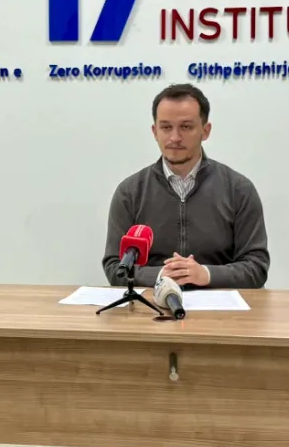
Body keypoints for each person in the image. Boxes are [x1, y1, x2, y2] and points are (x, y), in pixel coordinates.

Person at [102, 83, 270, 291]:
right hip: (151, 306)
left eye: (186, 127)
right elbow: (115, 268)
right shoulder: (130, 192)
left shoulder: (239, 190)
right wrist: (161, 275)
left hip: (220, 307)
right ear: (154, 131)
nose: (175, 137)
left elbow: (256, 267)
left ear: (205, 131)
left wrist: (206, 274)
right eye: (166, 127)